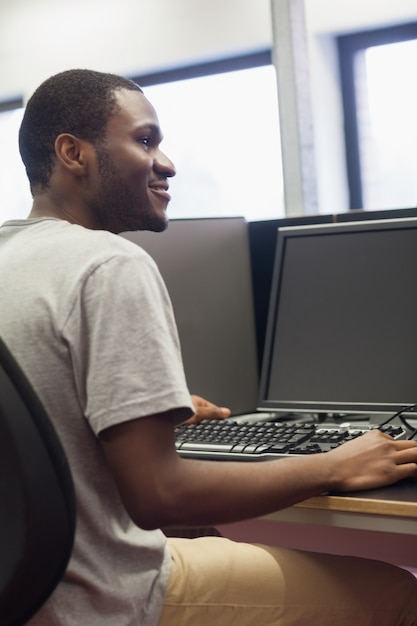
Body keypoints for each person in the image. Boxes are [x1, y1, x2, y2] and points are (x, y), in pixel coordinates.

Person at [1, 69, 417, 626]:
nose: (167, 163)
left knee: (210, 534)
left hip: (24, 589)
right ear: (73, 153)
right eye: (145, 140)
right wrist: (332, 466)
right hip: (103, 596)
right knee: (399, 590)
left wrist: (141, 417)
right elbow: (160, 495)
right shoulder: (107, 264)